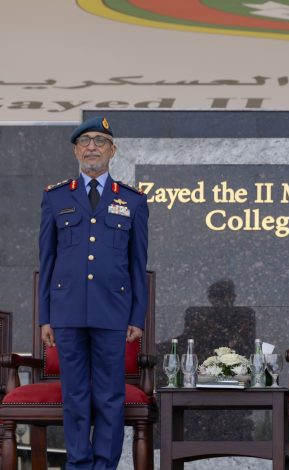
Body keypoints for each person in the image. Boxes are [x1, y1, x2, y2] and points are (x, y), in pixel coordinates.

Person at [38, 116, 149, 469]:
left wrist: (137, 316)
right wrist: (45, 317)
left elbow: (138, 265)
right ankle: (78, 464)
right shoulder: (56, 198)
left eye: (100, 141)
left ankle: (104, 465)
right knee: (74, 395)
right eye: (84, 141)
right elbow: (47, 261)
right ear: (75, 150)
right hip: (67, 311)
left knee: (109, 396)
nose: (91, 147)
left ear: (112, 151)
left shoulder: (132, 201)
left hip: (112, 311)